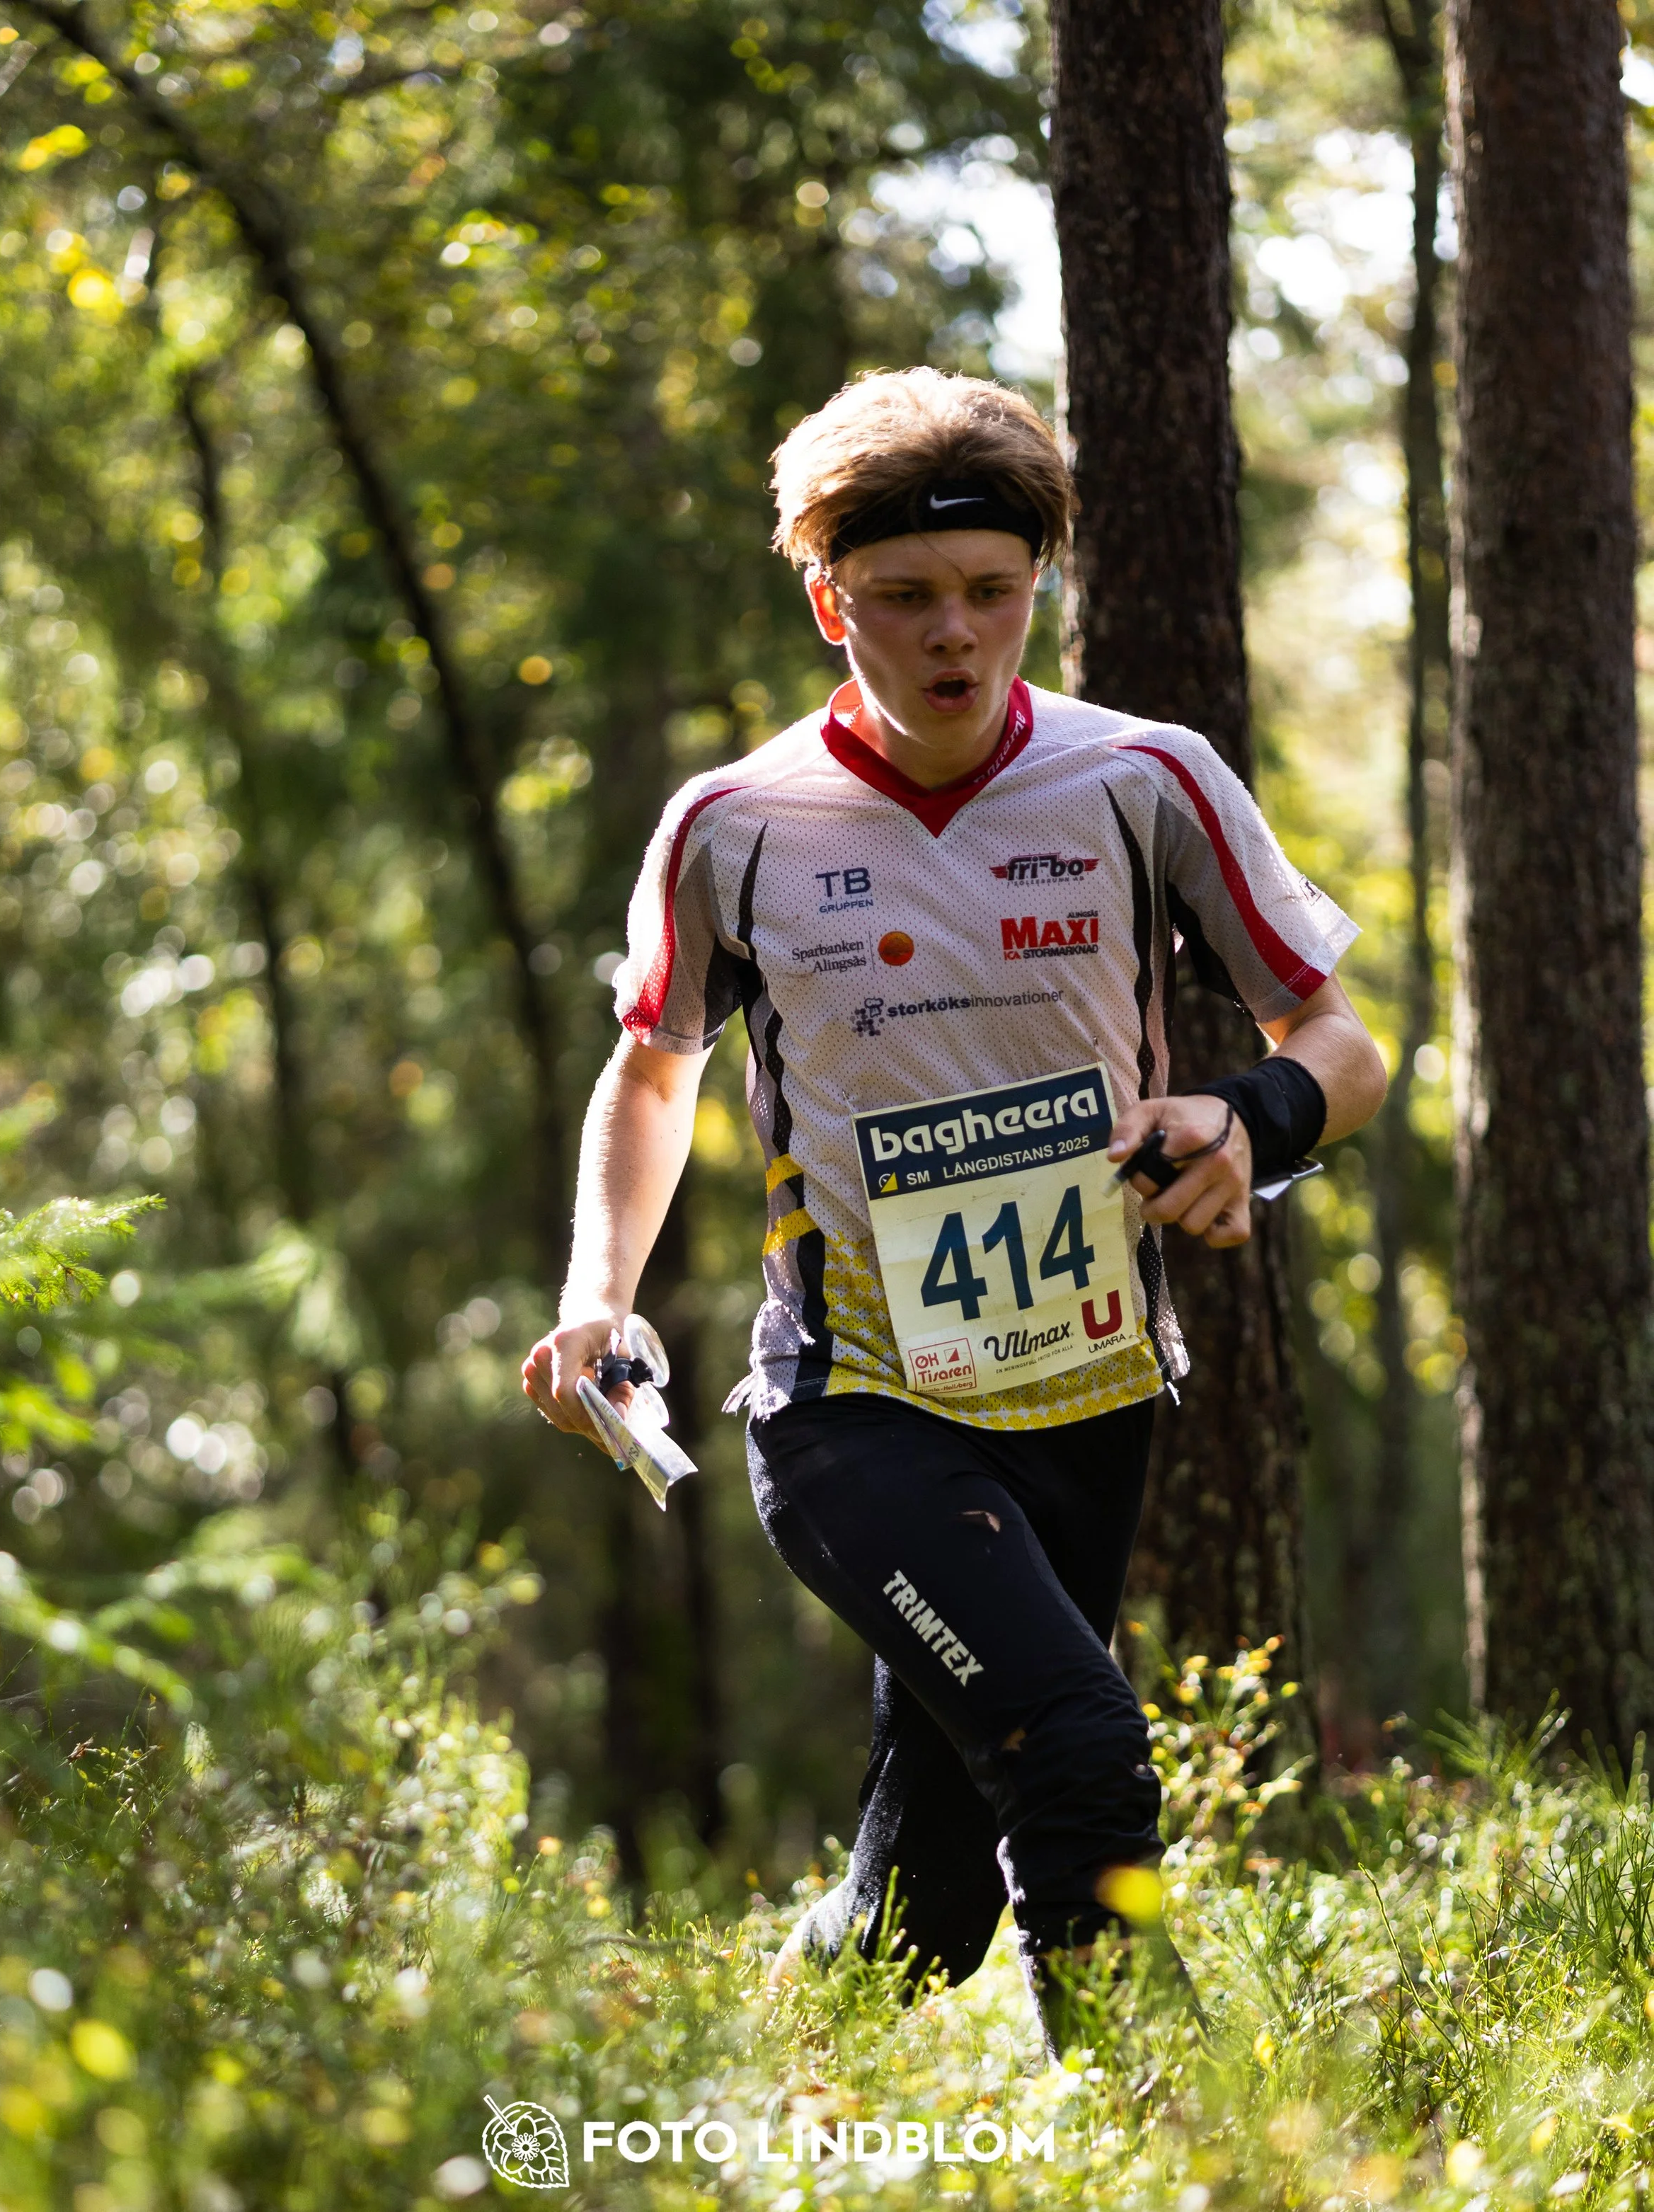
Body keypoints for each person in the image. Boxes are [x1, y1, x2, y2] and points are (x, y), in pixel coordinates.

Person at [520, 367, 1386, 2056]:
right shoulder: (734, 824)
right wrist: (595, 1293)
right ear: (826, 597)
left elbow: (1339, 1043)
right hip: (854, 1405)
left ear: (1036, 587)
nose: (953, 635)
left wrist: (1246, 1114)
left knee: (925, 1911)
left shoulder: (1147, 780)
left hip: (1087, 1391)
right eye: (904, 599)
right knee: (1077, 1741)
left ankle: (751, 2088)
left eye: (991, 591)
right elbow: (648, 1074)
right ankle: (1175, 2132)